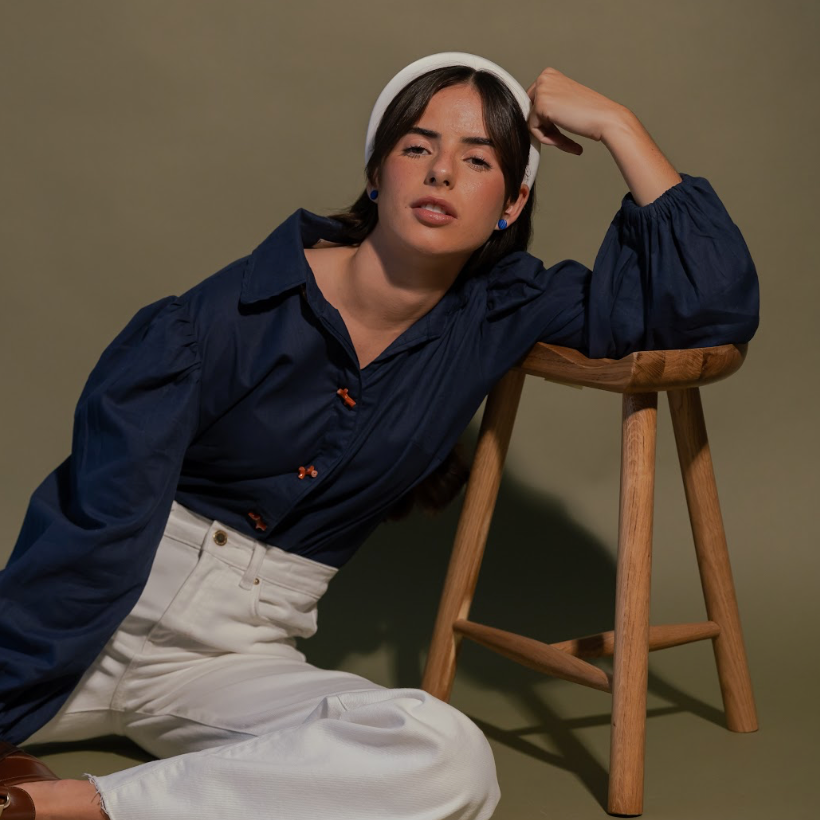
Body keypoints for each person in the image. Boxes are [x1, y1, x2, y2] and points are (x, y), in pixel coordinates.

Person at [0, 51, 759, 820]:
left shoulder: (503, 310)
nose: (441, 172)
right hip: (87, 624)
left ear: (511, 202)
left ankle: (76, 804)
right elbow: (97, 524)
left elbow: (709, 311)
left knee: (444, 753)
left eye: (477, 159)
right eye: (417, 147)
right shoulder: (221, 316)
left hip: (229, 665)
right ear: (376, 174)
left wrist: (619, 126)